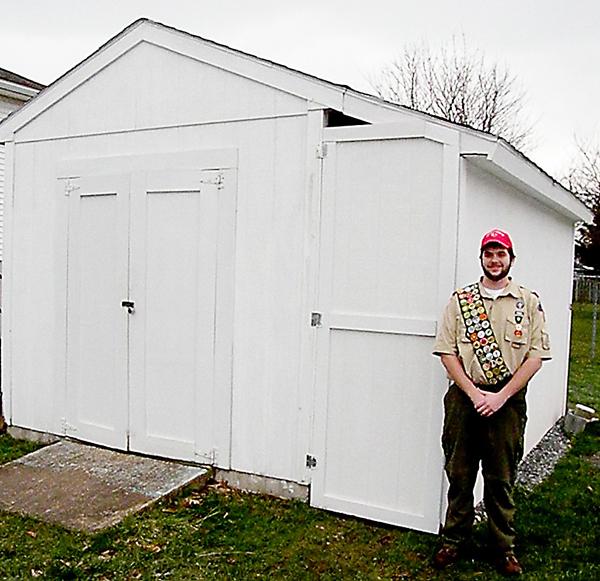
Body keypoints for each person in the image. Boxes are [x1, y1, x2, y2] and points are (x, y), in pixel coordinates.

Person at [431, 228, 552, 576]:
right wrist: (473, 393)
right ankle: (454, 540)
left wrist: (500, 397)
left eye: (501, 254)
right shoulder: (461, 301)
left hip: (507, 400)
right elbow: (446, 351)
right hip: (464, 398)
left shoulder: (526, 302)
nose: (495, 260)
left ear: (511, 259)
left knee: (501, 477)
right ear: (481, 258)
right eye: (489, 253)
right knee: (460, 472)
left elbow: (535, 356)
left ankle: (504, 547)